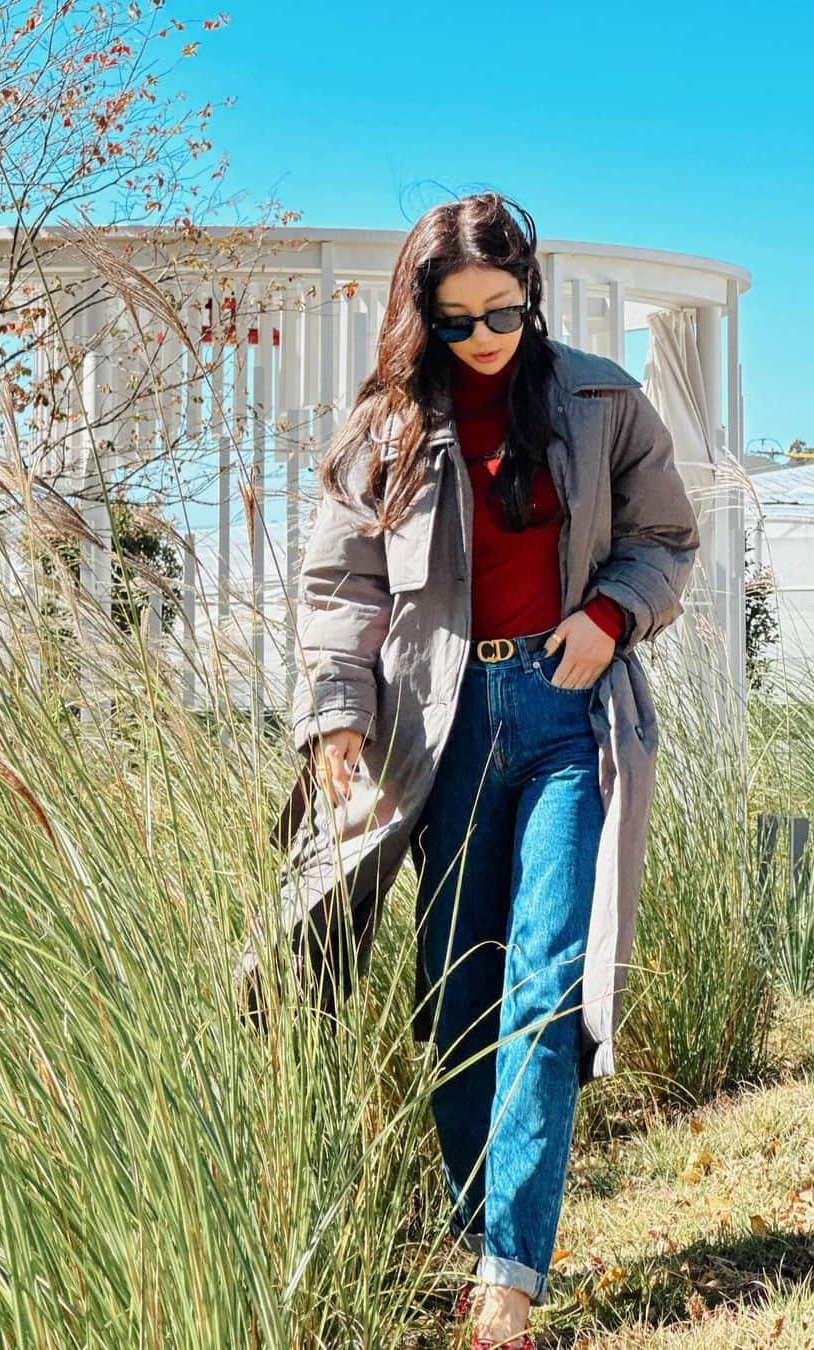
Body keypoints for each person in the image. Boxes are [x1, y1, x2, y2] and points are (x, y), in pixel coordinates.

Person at [284, 192, 700, 1349]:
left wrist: (613, 615)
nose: (484, 338)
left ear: (533, 293)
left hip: (572, 719)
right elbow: (340, 593)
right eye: (458, 319)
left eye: (503, 312)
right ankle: (485, 1234)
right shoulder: (383, 431)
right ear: (423, 312)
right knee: (458, 993)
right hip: (441, 732)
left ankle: (508, 1279)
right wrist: (334, 719)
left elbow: (664, 538)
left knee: (549, 984)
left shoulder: (605, 401)